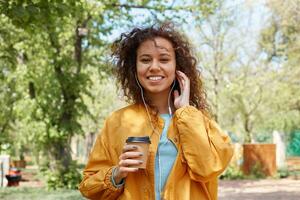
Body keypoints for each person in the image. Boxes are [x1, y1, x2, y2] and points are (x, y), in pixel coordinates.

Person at [79, 22, 233, 200]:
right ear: (134, 68)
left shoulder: (200, 121)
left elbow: (208, 169)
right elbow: (88, 187)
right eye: (145, 60)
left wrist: (185, 111)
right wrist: (117, 173)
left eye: (164, 59)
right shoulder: (118, 121)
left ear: (177, 67)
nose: (154, 66)